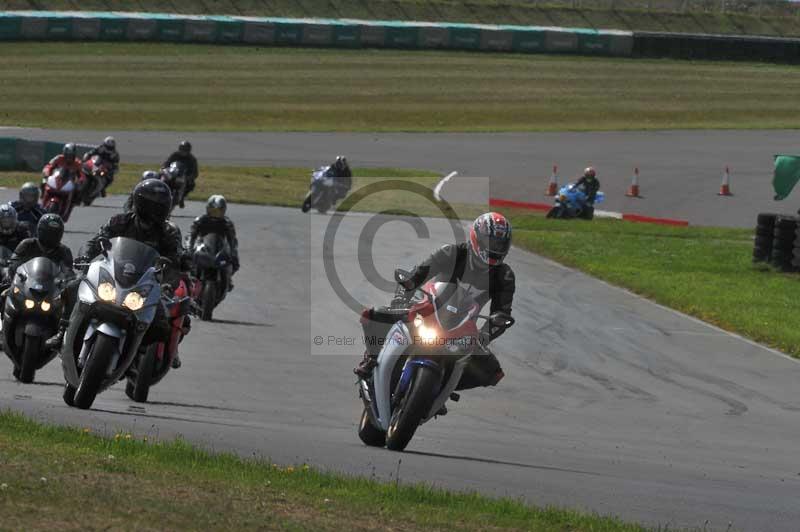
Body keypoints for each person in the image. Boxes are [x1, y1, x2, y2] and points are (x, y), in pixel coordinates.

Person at [355, 212, 515, 391]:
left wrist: (484, 336)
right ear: (476, 237)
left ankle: (442, 387)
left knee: (493, 373)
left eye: (500, 244)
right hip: (425, 309)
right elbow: (415, 277)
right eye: (491, 242)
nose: (495, 247)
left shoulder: (504, 276)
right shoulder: (451, 252)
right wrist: (400, 300)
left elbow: (502, 314)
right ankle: (371, 359)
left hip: (462, 328)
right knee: (373, 315)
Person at [45, 179, 187, 367]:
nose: (155, 211)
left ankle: (138, 353)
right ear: (140, 203)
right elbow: (97, 240)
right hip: (112, 276)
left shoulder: (167, 234)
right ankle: (62, 332)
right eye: (151, 205)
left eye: (160, 207)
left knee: (161, 321)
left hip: (143, 284)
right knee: (73, 287)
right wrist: (85, 256)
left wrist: (169, 284)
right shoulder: (120, 221)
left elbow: (174, 262)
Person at [188, 195, 240, 291]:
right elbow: (191, 235)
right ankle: (190, 279)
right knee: (187, 260)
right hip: (202, 246)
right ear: (208, 209)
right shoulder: (200, 220)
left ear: (223, 211)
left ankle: (228, 279)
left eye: (218, 212)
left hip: (219, 248)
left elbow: (233, 241)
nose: (215, 214)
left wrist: (233, 254)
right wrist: (189, 249)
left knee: (235, 263)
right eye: (213, 211)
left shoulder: (227, 223)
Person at [9, 214, 73, 277]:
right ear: (40, 231)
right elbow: (14, 264)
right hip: (26, 284)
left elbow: (68, 273)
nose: (52, 236)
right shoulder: (27, 244)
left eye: (55, 233)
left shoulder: (64, 250)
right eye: (49, 232)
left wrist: (71, 279)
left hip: (52, 286)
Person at [162, 141, 198, 208]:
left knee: (191, 184)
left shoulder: (192, 159)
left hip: (183, 177)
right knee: (161, 178)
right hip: (172, 174)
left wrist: (189, 177)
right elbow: (166, 163)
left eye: (185, 150)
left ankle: (182, 197)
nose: (183, 151)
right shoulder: (174, 155)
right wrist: (164, 169)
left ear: (189, 151)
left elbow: (195, 173)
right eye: (182, 149)